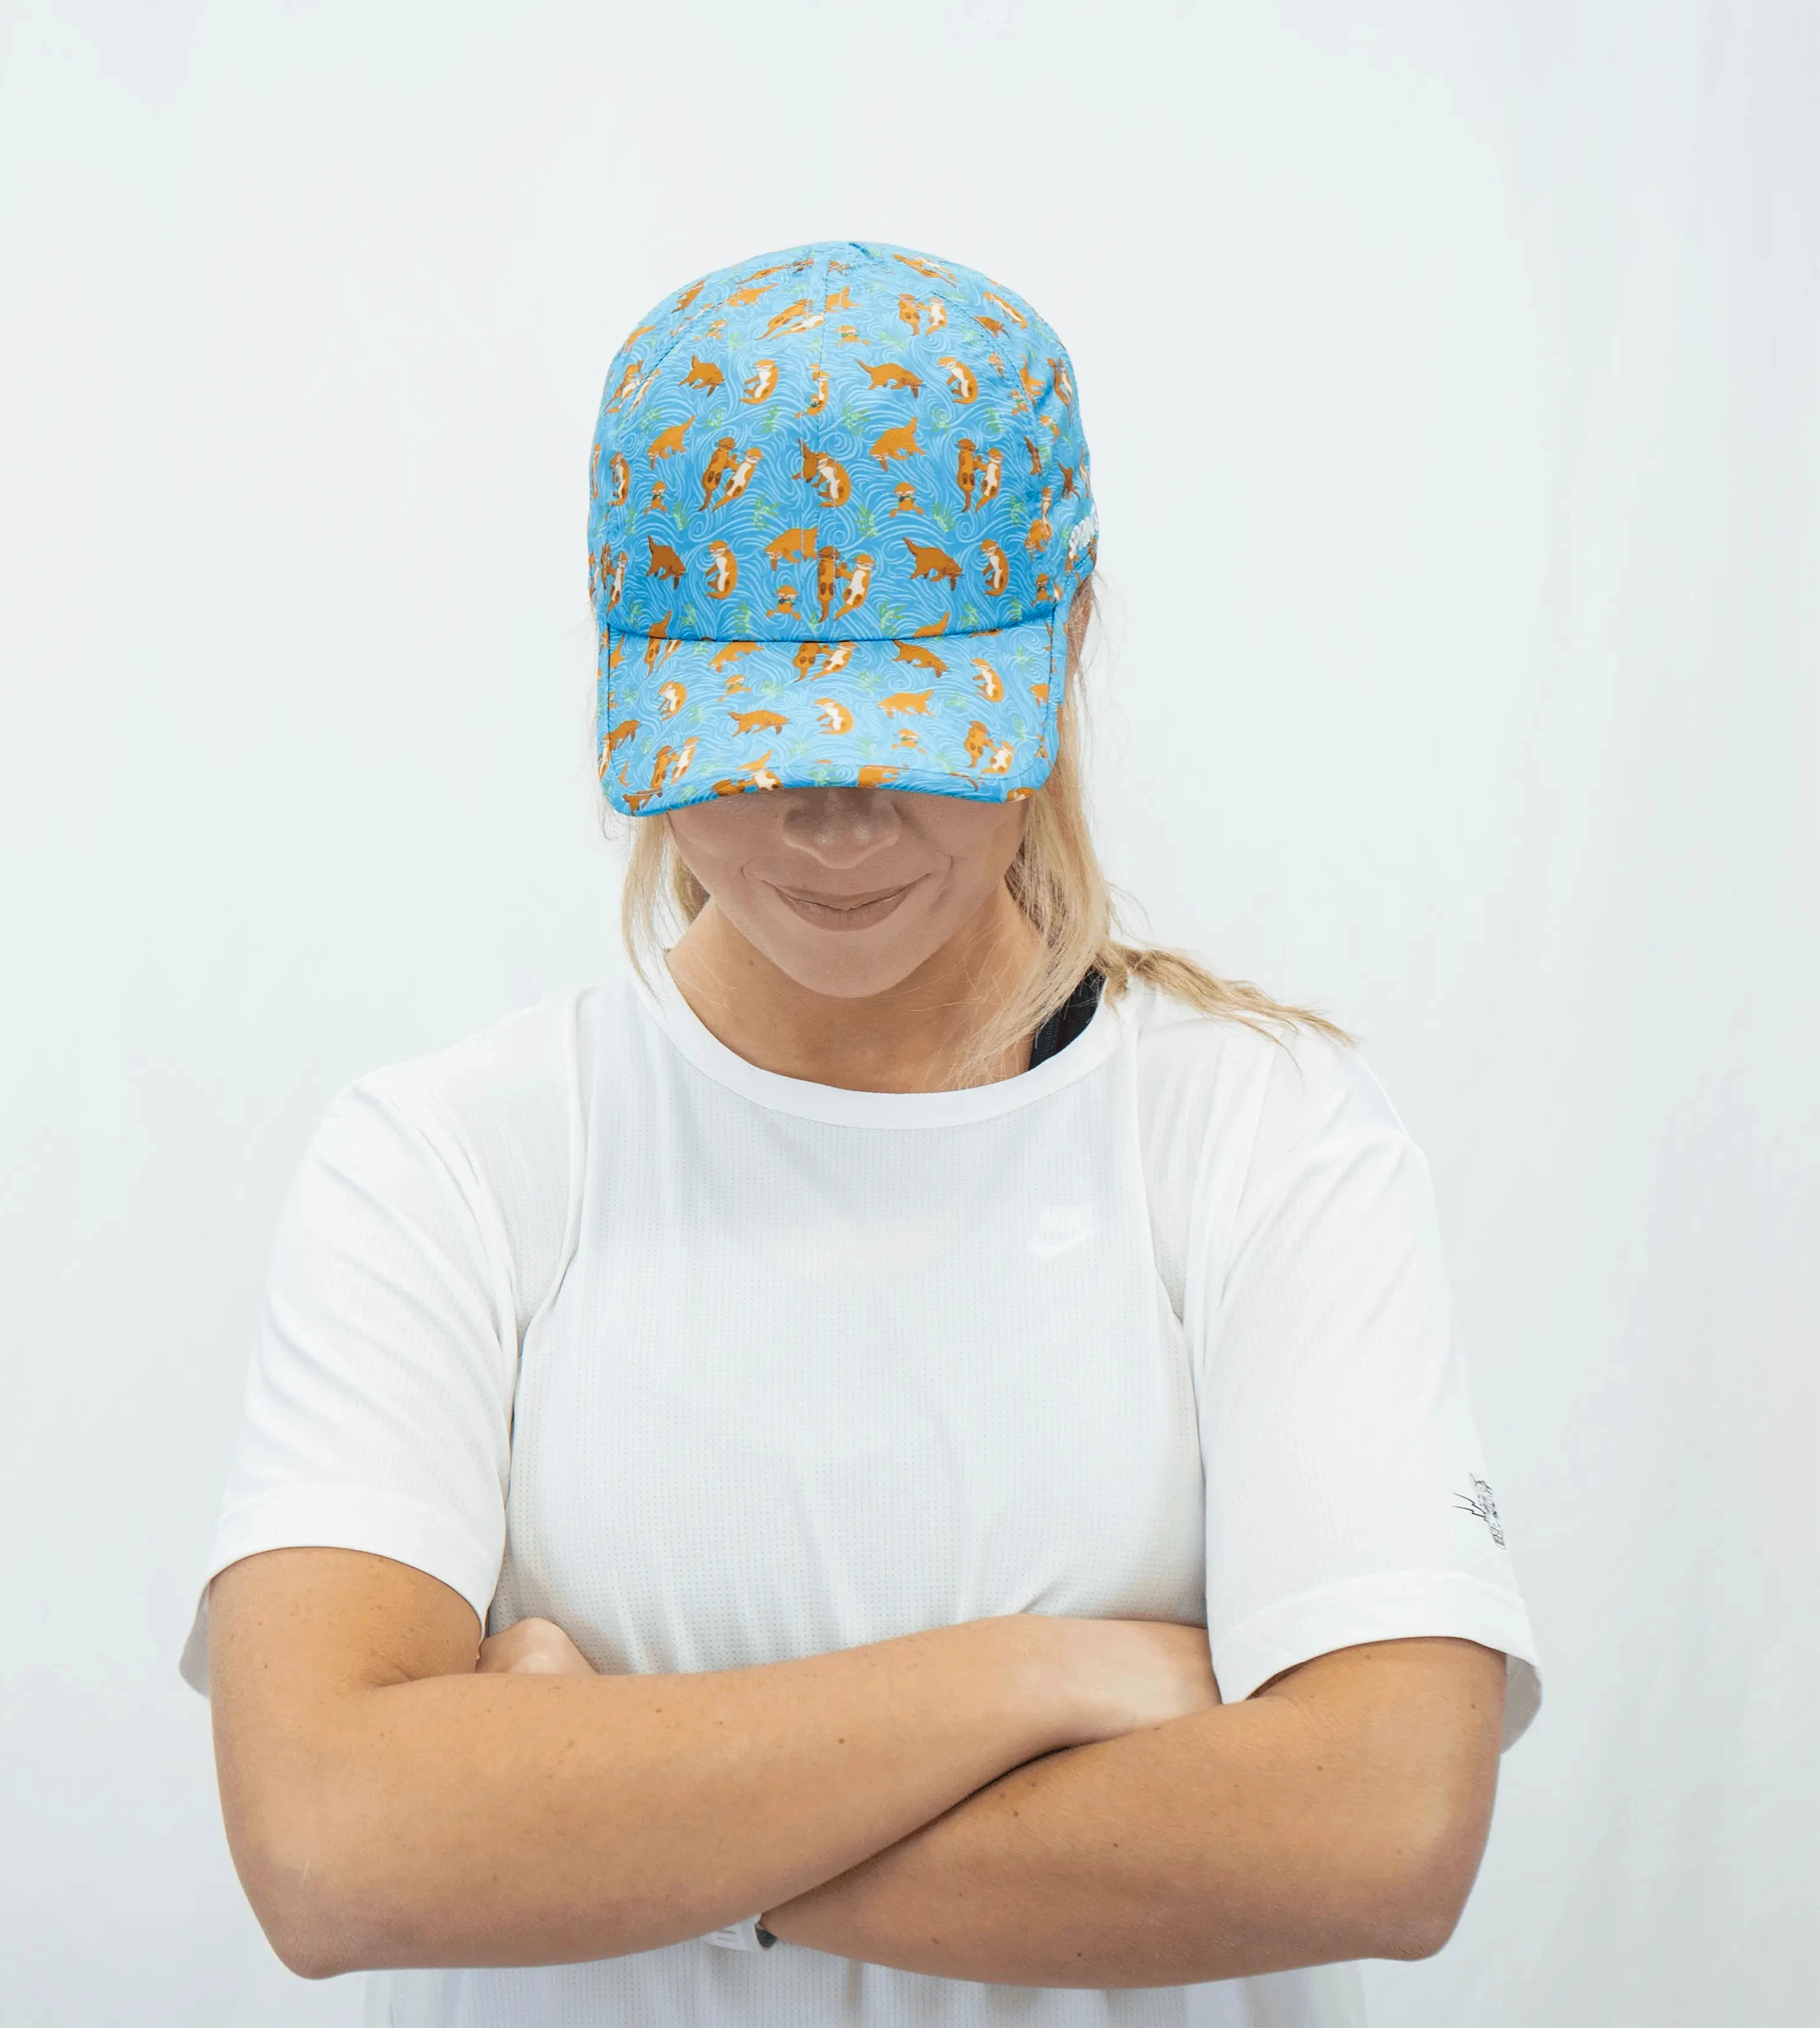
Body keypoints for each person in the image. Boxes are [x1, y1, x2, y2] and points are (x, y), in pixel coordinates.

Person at [179, 239, 1541, 2028]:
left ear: (1065, 641)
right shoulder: (450, 1164)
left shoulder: (1261, 1141)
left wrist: (594, 1810)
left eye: (917, 728)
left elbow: (1382, 1834)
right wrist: (1038, 1678)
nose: (834, 821)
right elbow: (339, 1851)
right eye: (755, 736)